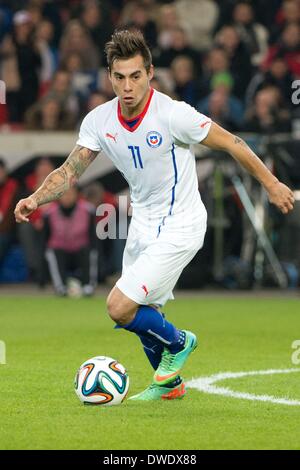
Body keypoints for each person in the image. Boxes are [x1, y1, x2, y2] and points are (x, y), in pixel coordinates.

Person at [14, 29, 295, 402]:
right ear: (109, 77)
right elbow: (69, 171)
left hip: (182, 222)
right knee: (143, 316)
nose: (127, 86)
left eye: (135, 76)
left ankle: (182, 341)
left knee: (118, 306)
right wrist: (35, 198)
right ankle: (169, 386)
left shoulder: (173, 115)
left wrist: (272, 184)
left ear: (149, 73)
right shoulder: (99, 120)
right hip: (143, 223)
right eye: (119, 77)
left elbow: (233, 143)